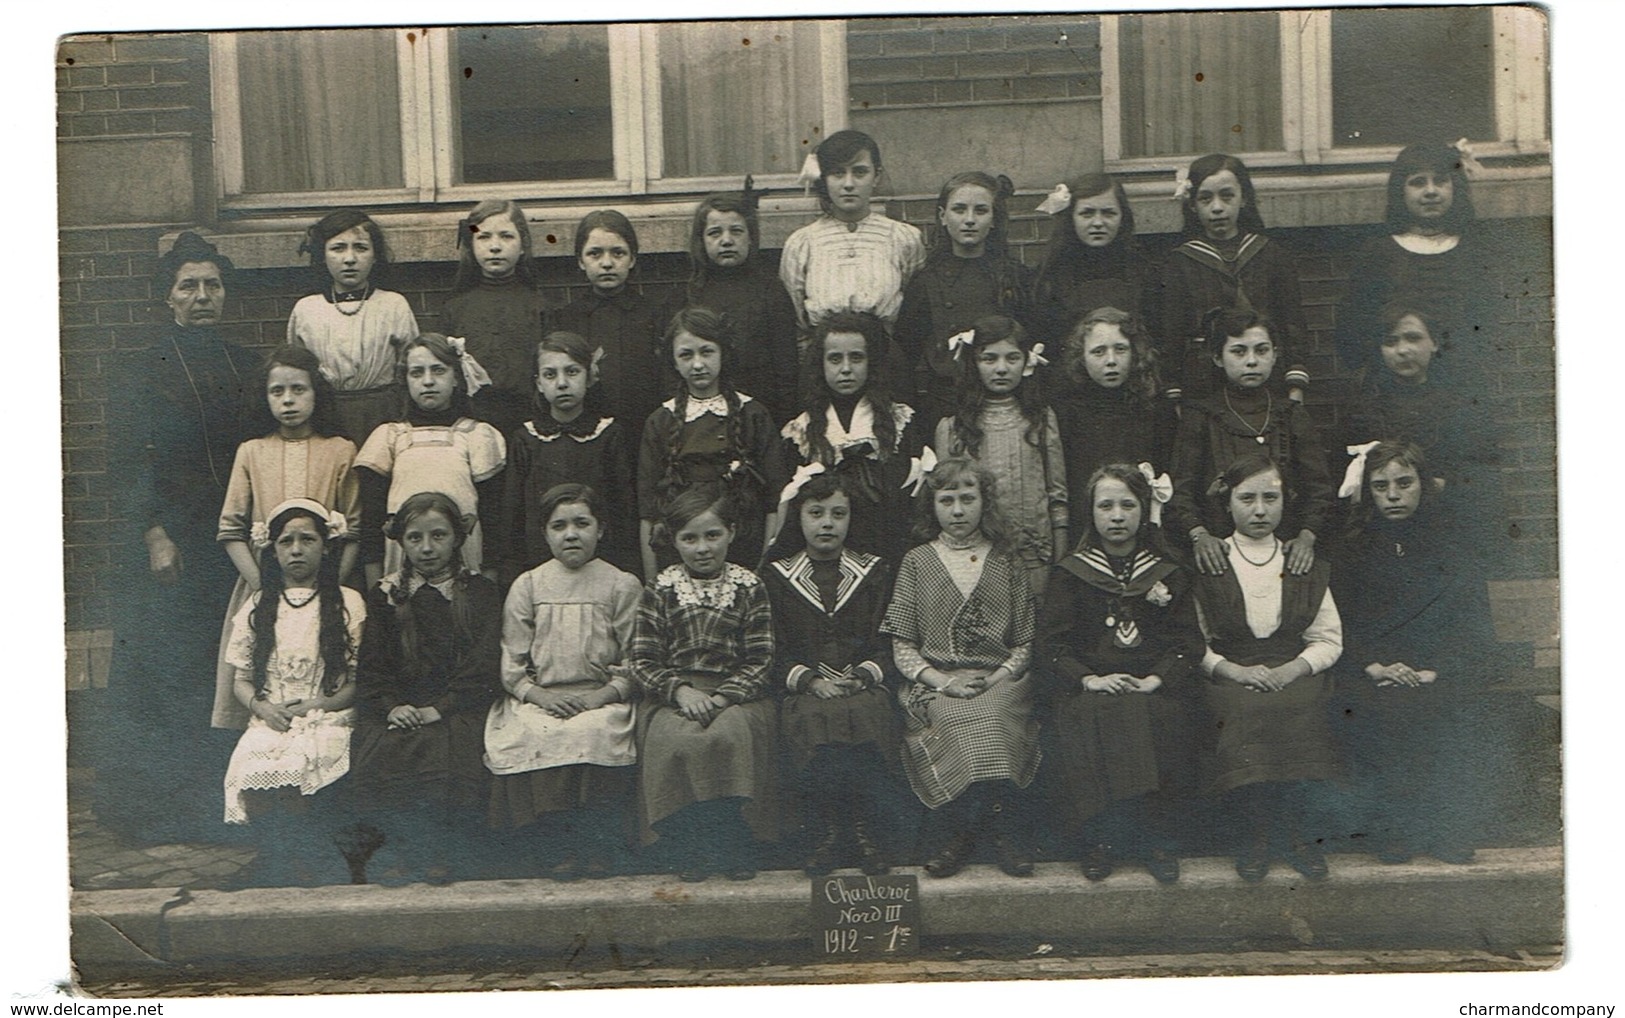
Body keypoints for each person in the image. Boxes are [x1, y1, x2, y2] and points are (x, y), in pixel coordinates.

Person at [96, 230, 260, 843]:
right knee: (170, 670)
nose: (201, 297)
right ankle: (159, 811)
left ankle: (226, 804)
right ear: (168, 297)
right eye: (188, 286)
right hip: (174, 542)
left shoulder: (248, 364)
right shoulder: (142, 368)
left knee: (226, 667)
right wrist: (154, 533)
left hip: (233, 540)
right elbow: (125, 460)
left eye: (212, 286)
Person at [1332, 441, 1499, 865]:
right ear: (1367, 492)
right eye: (1381, 485)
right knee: (1378, 712)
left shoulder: (1452, 546)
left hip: (1439, 669)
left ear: (1423, 486)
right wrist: (1376, 666)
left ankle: (1447, 829)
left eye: (1404, 483)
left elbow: (1472, 626)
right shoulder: (1352, 549)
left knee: (1448, 712)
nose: (1393, 495)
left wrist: (1433, 671)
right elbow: (1343, 622)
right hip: (1374, 669)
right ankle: (1396, 830)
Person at [1038, 464, 1203, 883]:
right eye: (1105, 505)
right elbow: (1051, 645)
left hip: (1150, 684)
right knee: (1090, 715)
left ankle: (1154, 838)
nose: (1116, 516)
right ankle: (1101, 837)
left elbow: (1188, 643)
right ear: (1090, 512)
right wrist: (1087, 679)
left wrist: (1158, 678)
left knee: (1161, 715)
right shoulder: (1071, 573)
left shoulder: (1167, 570)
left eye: (1127, 505)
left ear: (1143, 509)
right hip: (1090, 685)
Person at [881, 458, 1040, 878]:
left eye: (967, 499)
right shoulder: (917, 562)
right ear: (931, 506)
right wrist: (943, 682)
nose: (957, 510)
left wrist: (995, 677)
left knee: (993, 715)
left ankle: (969, 834)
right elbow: (903, 647)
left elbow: (1024, 642)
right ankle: (983, 832)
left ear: (984, 503)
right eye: (946, 500)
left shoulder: (1007, 560)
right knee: (959, 718)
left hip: (1001, 679)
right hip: (937, 683)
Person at [1190, 455, 1342, 882]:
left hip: (1290, 669)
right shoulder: (1211, 561)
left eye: (1270, 498)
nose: (1259, 510)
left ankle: (1297, 835)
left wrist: (1294, 669)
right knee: (1243, 710)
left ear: (1284, 503)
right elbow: (1192, 642)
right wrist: (1232, 671)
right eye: (1247, 498)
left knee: (1301, 708)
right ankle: (1254, 835)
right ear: (1227, 504)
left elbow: (1329, 639)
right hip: (1232, 674)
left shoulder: (1301, 559)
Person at [484, 485, 643, 880]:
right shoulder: (529, 585)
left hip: (600, 697)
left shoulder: (621, 584)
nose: (571, 534)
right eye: (559, 526)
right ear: (545, 533)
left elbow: (637, 657)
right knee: (536, 732)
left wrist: (603, 695)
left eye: (581, 523)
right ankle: (556, 843)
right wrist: (536, 695)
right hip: (543, 698)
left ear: (601, 529)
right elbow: (512, 659)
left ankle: (596, 843)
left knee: (596, 731)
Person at [351, 492, 503, 885]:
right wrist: (391, 705)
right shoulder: (385, 596)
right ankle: (403, 849)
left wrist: (444, 706)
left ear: (457, 538)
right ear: (401, 542)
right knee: (383, 748)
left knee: (451, 748)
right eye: (415, 538)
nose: (427, 548)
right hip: (401, 705)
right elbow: (373, 665)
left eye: (438, 536)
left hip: (458, 705)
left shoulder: (479, 593)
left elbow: (484, 665)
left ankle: (443, 851)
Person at [629, 489, 778, 882]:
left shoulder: (750, 588)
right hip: (674, 694)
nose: (701, 548)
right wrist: (680, 691)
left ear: (731, 532)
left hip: (736, 694)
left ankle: (731, 836)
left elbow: (760, 659)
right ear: (674, 540)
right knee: (677, 738)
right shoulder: (660, 590)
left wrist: (722, 696)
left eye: (712, 535)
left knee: (729, 734)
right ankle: (690, 839)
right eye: (689, 538)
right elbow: (642, 660)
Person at [213, 345, 360, 733]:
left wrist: (332, 586)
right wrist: (266, 589)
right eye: (277, 392)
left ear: (317, 393)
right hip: (266, 586)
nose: (288, 400)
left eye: (299, 389)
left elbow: (355, 531)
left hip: (326, 589)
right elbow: (230, 530)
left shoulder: (340, 451)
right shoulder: (252, 452)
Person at [221, 498, 366, 886]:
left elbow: (355, 681)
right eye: (286, 541)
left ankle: (315, 861)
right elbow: (240, 680)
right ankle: (279, 857)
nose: (297, 550)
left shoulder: (347, 603)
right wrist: (263, 708)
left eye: (307, 540)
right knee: (255, 760)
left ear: (326, 546)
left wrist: (320, 704)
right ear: (273, 549)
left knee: (314, 759)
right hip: (274, 717)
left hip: (329, 714)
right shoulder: (258, 605)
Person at [764, 471, 900, 876]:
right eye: (816, 513)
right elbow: (771, 648)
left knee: (868, 714)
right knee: (811, 719)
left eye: (838, 514)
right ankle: (830, 832)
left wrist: (862, 675)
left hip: (860, 684)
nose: (827, 523)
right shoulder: (776, 577)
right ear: (799, 518)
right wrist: (810, 681)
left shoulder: (874, 572)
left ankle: (861, 832)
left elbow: (892, 640)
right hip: (808, 689)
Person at [1167, 309, 1333, 579]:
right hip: (1220, 555)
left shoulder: (1291, 415)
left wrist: (1306, 538)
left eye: (1261, 350)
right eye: (1239, 351)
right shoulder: (1201, 416)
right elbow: (1181, 490)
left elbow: (1320, 489)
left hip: (1285, 553)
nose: (1252, 361)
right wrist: (1200, 536)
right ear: (1218, 358)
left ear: (1275, 355)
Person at [636, 307, 787, 578]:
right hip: (680, 552)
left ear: (723, 354)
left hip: (745, 547)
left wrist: (765, 567)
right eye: (686, 354)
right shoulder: (660, 421)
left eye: (706, 352)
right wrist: (652, 582)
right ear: (673, 360)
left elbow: (776, 502)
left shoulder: (752, 415)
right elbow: (648, 511)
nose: (697, 364)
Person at [1335, 141, 1495, 383]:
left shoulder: (1473, 252)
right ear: (1401, 191)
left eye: (1440, 181)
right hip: (1391, 387)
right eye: (1418, 182)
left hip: (1460, 386)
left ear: (1455, 188)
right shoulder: (1377, 254)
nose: (1430, 191)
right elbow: (1353, 329)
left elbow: (1486, 327)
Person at [1338, 304, 1502, 539]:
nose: (1403, 350)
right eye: (1391, 342)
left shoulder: (1462, 402)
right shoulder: (1363, 405)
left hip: (1448, 520)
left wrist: (1444, 484)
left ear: (1434, 343)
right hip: (1382, 525)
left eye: (1413, 338)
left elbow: (1482, 468)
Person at [354, 334, 506, 586]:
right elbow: (372, 520)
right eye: (417, 373)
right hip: (403, 559)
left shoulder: (476, 434)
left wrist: (489, 578)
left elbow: (492, 515)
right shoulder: (390, 437)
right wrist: (375, 585)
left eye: (438, 371)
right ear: (405, 380)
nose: (427, 381)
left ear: (456, 376)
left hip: (465, 555)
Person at [934, 315, 1068, 599]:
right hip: (974, 555)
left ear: (1027, 362)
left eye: (1012, 358)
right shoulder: (953, 428)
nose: (1001, 368)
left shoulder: (1041, 420)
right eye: (989, 359)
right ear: (974, 363)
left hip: (1034, 552)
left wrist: (1060, 557)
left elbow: (1057, 494)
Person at [777, 311, 926, 565]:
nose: (846, 369)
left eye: (856, 358)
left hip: (886, 548)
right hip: (825, 554)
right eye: (835, 359)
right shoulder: (801, 430)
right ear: (820, 364)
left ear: (871, 362)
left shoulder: (899, 421)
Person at [1157, 154, 1307, 403]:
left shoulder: (1271, 255)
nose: (1217, 207)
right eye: (1206, 198)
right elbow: (1171, 334)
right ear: (1192, 205)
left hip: (1266, 377)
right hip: (1204, 383)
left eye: (1227, 196)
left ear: (1244, 198)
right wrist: (1174, 390)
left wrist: (1295, 383)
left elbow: (1292, 323)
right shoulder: (1179, 263)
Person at [894, 171, 1035, 424]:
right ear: (943, 217)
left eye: (980, 211)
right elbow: (904, 354)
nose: (969, 220)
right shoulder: (927, 281)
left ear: (994, 219)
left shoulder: (1015, 277)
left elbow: (1032, 342)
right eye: (959, 209)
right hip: (947, 404)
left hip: (1006, 404)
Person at [497, 331, 637, 585]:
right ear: (539, 383)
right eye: (550, 375)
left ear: (589, 376)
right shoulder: (526, 439)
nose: (562, 383)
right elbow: (513, 513)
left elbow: (623, 509)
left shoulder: (608, 434)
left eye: (572, 372)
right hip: (541, 566)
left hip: (601, 565)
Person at [287, 209, 419, 445]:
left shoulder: (393, 305)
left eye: (360, 248)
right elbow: (296, 371)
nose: (349, 259)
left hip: (384, 416)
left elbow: (411, 368)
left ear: (375, 255)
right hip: (326, 417)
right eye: (338, 248)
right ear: (322, 255)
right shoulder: (307, 309)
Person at [779, 129, 926, 339]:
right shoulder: (802, 243)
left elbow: (914, 312)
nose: (848, 184)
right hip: (825, 359)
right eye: (838, 173)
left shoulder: (904, 238)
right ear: (824, 178)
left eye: (859, 172)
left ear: (876, 176)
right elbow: (796, 322)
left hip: (886, 356)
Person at [678, 183, 801, 424]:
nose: (726, 240)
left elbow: (786, 366)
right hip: (705, 414)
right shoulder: (690, 294)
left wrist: (785, 421)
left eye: (736, 231)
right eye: (715, 233)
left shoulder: (770, 291)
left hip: (762, 411)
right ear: (700, 240)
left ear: (751, 237)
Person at [1051, 307, 1176, 541]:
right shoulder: (1066, 412)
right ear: (1082, 357)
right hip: (1085, 528)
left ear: (1135, 354)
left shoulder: (1157, 409)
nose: (1111, 361)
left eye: (1120, 349)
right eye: (1098, 352)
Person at [549, 209, 667, 431]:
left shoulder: (654, 314)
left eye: (618, 253)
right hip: (588, 432)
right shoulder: (567, 319)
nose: (607, 263)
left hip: (643, 428)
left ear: (632, 259)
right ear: (581, 261)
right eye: (595, 254)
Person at [440, 199, 548, 438]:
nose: (495, 246)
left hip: (529, 421)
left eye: (507, 236)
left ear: (522, 246)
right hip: (472, 425)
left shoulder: (538, 305)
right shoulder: (456, 307)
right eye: (484, 237)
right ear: (471, 244)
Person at [1031, 173, 1156, 345]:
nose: (1098, 222)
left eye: (1108, 213)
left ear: (1122, 217)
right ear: (1071, 218)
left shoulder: (1143, 269)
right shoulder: (1052, 273)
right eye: (1087, 213)